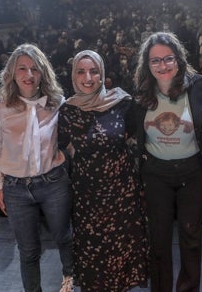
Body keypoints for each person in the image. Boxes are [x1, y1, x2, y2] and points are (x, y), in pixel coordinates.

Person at [133, 32, 202, 292]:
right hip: (156, 174)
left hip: (193, 173)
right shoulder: (141, 93)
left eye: (168, 59)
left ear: (178, 59)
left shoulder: (201, 86)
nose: (162, 66)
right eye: (155, 61)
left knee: (191, 238)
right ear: (147, 65)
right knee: (159, 241)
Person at [58, 50, 149, 291]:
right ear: (73, 75)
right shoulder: (67, 111)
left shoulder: (122, 103)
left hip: (122, 196)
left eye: (94, 71)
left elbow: (132, 137)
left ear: (102, 74)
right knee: (94, 265)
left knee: (120, 260)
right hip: (88, 200)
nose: (88, 77)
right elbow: (61, 144)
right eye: (81, 71)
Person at [0, 43, 74, 292]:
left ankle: (70, 279)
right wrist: (1, 186)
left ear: (43, 73)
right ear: (12, 74)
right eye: (22, 68)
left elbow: (69, 141)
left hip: (53, 182)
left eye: (35, 69)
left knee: (64, 237)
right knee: (28, 251)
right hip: (15, 187)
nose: (29, 74)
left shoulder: (58, 103)